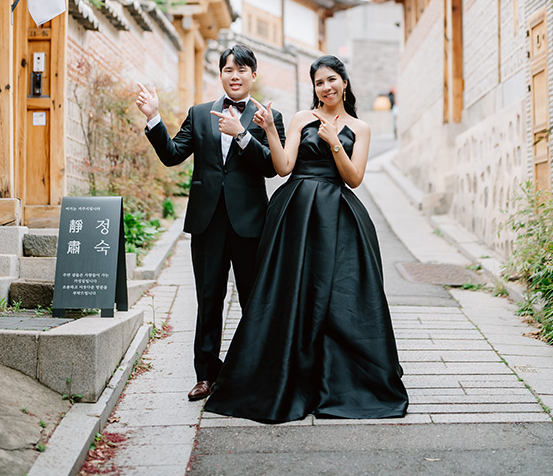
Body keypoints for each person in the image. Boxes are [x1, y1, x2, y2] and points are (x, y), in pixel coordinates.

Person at [204, 55, 408, 423]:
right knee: (291, 292)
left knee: (337, 295)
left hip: (337, 212)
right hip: (294, 210)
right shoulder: (300, 119)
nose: (326, 88)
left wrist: (334, 143)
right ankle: (284, 373)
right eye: (318, 83)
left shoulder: (360, 128)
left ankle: (339, 379)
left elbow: (354, 178)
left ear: (344, 82)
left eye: (332, 80)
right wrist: (266, 130)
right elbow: (283, 168)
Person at [135, 44, 285, 402]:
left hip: (249, 222)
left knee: (253, 299)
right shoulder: (200, 114)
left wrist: (242, 133)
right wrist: (154, 118)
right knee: (208, 299)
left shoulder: (267, 116)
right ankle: (205, 375)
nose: (235, 76)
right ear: (220, 75)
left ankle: (253, 370)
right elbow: (173, 155)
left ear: (253, 75)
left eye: (242, 70)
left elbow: (270, 166)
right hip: (207, 223)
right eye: (228, 70)